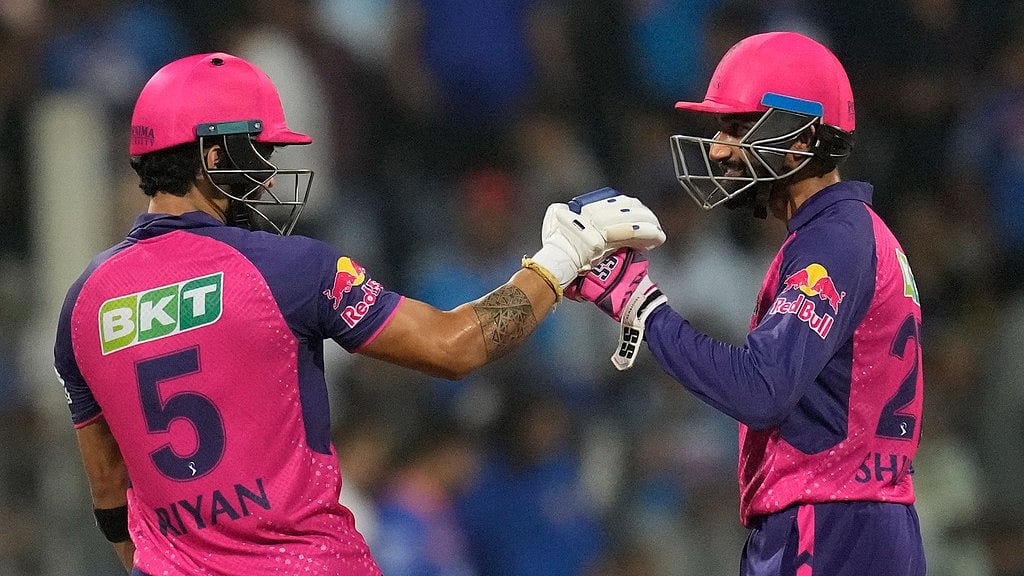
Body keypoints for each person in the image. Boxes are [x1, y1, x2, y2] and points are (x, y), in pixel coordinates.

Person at [51, 52, 664, 575]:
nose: (267, 177)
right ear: (212, 156)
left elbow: (111, 498)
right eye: (257, 153)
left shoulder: (82, 304)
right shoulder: (289, 269)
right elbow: (456, 347)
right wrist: (562, 260)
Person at [568, 32, 925, 575]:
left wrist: (639, 303)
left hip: (827, 526)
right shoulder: (852, 233)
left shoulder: (831, 242)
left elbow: (761, 390)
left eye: (738, 128)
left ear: (803, 138)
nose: (717, 149)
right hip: (862, 522)